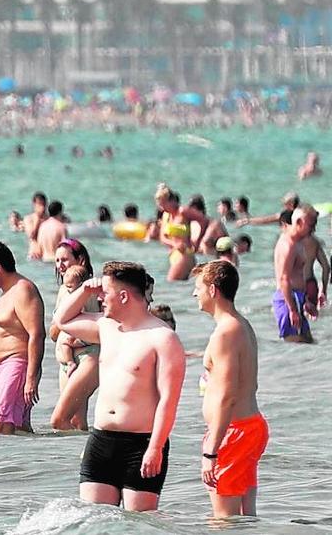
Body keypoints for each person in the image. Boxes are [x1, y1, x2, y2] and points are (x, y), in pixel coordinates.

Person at [54, 261, 186, 512]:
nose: (101, 298)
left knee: (138, 526)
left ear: (124, 296)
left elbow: (168, 400)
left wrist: (155, 448)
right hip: (101, 440)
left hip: (141, 445)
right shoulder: (105, 327)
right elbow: (62, 319)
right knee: (95, 522)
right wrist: (85, 290)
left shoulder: (163, 338)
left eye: (106, 293)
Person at [192, 261, 268, 518]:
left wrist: (210, 450)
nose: (194, 294)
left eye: (198, 287)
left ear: (212, 290)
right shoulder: (242, 325)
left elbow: (227, 397)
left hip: (232, 433)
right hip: (248, 427)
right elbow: (249, 383)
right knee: (245, 519)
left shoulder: (225, 333)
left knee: (225, 522)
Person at [0, 241, 44, 434]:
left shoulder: (23, 290)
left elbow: (37, 334)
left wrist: (31, 378)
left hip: (17, 366)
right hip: (4, 368)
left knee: (0, 426)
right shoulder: (7, 292)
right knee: (18, 429)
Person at [49, 265, 99, 431]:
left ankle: (88, 452)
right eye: (57, 260)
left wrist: (75, 340)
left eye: (65, 259)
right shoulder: (64, 291)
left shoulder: (91, 294)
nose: (60, 265)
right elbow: (54, 332)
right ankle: (71, 454)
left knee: (61, 420)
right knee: (75, 420)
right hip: (67, 357)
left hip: (87, 353)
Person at [272, 205, 314, 343]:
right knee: (295, 344)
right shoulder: (288, 245)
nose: (313, 229)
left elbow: (298, 274)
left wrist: (305, 300)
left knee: (309, 343)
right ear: (299, 222)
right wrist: (292, 310)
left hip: (297, 299)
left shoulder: (298, 242)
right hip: (288, 300)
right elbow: (284, 279)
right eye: (311, 224)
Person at [155, 183, 207, 282]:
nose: (162, 208)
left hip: (185, 254)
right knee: (179, 287)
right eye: (160, 205)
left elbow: (203, 220)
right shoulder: (166, 215)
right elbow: (162, 238)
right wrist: (174, 244)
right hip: (174, 254)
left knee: (171, 282)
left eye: (163, 204)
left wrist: (197, 242)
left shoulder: (183, 211)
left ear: (171, 201)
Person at [23, 192, 49, 261]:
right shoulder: (29, 219)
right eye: (39, 204)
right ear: (34, 204)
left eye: (44, 204)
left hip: (46, 255)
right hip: (34, 254)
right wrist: (38, 218)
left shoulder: (50, 219)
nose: (42, 207)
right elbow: (31, 235)